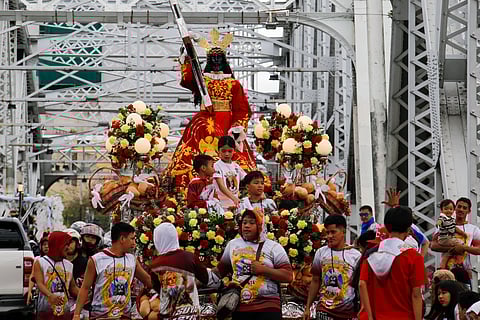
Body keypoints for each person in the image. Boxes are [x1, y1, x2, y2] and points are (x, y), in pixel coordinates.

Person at [166, 28, 256, 190]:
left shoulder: (233, 84)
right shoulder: (203, 80)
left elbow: (242, 109)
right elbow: (187, 80)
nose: (215, 61)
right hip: (203, 123)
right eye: (212, 58)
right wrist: (187, 55)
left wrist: (237, 126)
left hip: (227, 123)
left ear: (223, 60)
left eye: (218, 58)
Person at [215, 208, 293, 320]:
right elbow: (219, 271)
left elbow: (288, 276)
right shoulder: (233, 245)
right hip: (240, 307)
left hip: (268, 306)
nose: (246, 226)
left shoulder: (274, 247)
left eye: (252, 223)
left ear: (260, 225)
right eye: (244, 222)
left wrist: (263, 270)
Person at [73, 222, 152, 320]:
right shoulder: (96, 260)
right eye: (132, 239)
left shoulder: (132, 260)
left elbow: (148, 280)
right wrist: (76, 314)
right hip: (100, 316)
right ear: (122, 239)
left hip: (124, 316)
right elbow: (85, 288)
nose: (134, 243)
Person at [358, 206, 425, 320]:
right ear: (408, 230)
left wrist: (369, 315)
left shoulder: (370, 254)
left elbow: (361, 284)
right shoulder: (414, 257)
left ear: (387, 228)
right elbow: (416, 294)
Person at [303, 215, 361, 320]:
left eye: (333, 232)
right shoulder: (321, 252)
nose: (329, 236)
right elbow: (315, 281)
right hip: (323, 310)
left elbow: (360, 286)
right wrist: (307, 307)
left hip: (347, 312)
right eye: (327, 232)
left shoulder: (356, 256)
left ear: (343, 231)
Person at [148, 223, 211, 319]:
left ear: (157, 239)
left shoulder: (155, 265)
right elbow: (206, 278)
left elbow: (156, 287)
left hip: (168, 315)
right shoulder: (189, 257)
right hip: (191, 314)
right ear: (175, 237)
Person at [431, 197, 480, 284]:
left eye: (464, 208)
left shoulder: (473, 229)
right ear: (455, 208)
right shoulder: (443, 224)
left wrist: (464, 248)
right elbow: (433, 245)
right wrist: (451, 249)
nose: (461, 209)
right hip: (445, 274)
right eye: (459, 206)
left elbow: (479, 249)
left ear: (469, 211)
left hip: (464, 273)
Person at [33, 231, 79, 320]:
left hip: (64, 313)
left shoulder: (69, 265)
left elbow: (72, 287)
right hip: (45, 312)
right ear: (58, 245)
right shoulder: (40, 262)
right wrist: (50, 295)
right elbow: (39, 284)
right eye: (66, 244)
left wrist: (85, 294)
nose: (69, 248)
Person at [213, 135, 247, 210]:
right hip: (221, 205)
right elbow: (221, 186)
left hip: (235, 204)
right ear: (218, 150)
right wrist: (233, 198)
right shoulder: (216, 166)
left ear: (234, 150)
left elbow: (247, 179)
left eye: (229, 151)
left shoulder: (236, 166)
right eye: (223, 151)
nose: (227, 154)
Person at [436, 199, 468, 268]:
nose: (448, 211)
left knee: (447, 254)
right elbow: (439, 221)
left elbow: (455, 228)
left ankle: (442, 267)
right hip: (445, 239)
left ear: (453, 210)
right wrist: (438, 224)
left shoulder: (451, 219)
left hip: (446, 240)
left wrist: (462, 233)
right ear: (442, 210)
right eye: (446, 209)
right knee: (460, 244)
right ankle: (459, 263)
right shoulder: (443, 218)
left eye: (450, 209)